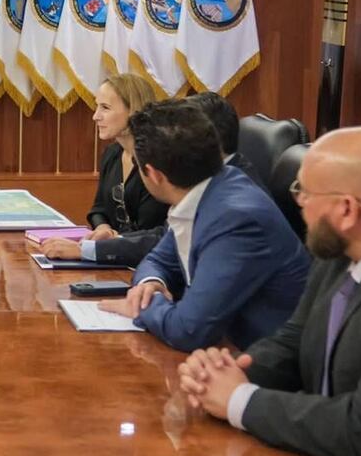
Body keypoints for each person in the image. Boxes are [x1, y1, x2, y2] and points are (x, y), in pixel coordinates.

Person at [178, 126, 361, 456]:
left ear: (347, 210)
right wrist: (229, 373)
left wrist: (239, 400)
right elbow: (294, 341)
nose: (299, 203)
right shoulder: (338, 254)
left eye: (304, 192)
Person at [98, 100, 309, 352]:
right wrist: (151, 283)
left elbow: (189, 331)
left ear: (153, 175)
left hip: (256, 362)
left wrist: (144, 306)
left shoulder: (237, 219)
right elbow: (158, 259)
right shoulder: (209, 188)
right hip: (220, 352)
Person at [42, 90, 263, 266]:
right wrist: (152, 280)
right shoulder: (207, 179)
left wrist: (88, 250)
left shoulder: (235, 204)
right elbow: (166, 242)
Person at [40, 73, 165, 262]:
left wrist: (101, 245)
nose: (95, 116)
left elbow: (154, 233)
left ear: (134, 111)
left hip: (147, 261)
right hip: (112, 257)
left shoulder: (158, 161)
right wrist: (102, 228)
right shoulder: (112, 154)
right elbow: (98, 209)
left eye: (105, 108)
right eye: (97, 106)